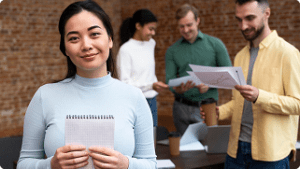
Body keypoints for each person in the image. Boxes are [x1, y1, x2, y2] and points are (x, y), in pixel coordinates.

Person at [17, 1, 156, 168]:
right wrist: (50, 165)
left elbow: (151, 164)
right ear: (66, 49)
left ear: (110, 39)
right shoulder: (44, 96)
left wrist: (126, 165)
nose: (86, 45)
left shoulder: (134, 97)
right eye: (74, 38)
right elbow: (23, 163)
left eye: (95, 34)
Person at [201, 0, 300, 168]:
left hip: (270, 154)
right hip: (235, 150)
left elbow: (297, 104)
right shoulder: (240, 56)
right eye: (239, 20)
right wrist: (221, 112)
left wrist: (260, 96)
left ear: (266, 14)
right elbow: (240, 101)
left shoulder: (287, 53)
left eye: (249, 18)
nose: (243, 26)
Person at [165, 4, 232, 135]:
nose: (185, 30)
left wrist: (209, 84)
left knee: (209, 148)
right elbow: (170, 81)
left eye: (189, 25)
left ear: (198, 21)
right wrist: (177, 88)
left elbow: (229, 75)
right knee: (185, 152)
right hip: (181, 108)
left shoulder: (215, 44)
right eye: (181, 26)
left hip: (207, 107)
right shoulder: (172, 51)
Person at [116, 9, 169, 138]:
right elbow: (125, 84)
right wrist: (151, 86)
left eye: (154, 29)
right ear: (138, 26)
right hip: (134, 102)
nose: (153, 33)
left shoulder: (151, 44)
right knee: (137, 138)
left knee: (152, 136)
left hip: (152, 100)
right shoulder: (125, 50)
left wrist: (154, 85)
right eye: (150, 28)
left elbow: (149, 73)